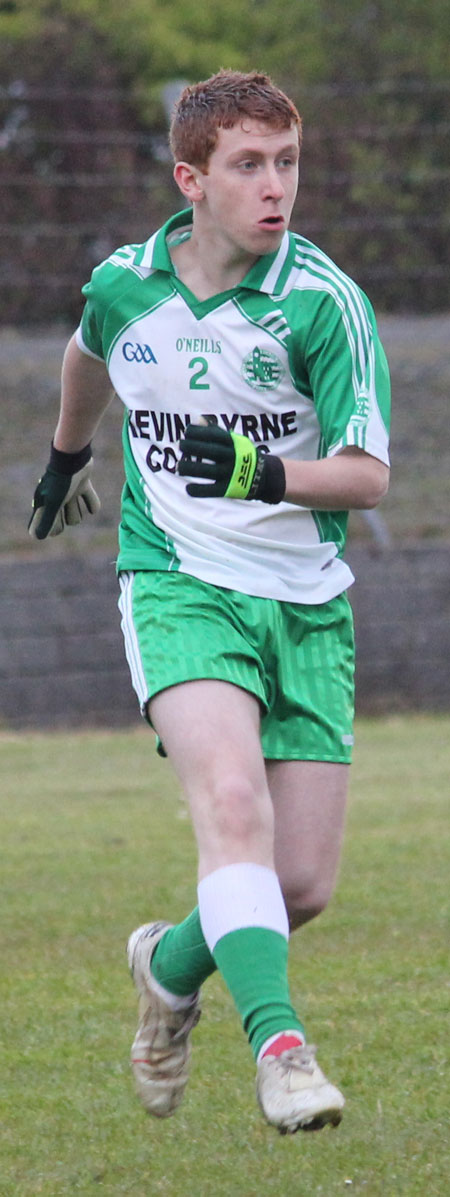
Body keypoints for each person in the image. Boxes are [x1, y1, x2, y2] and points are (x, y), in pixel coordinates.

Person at [29, 69, 391, 1135]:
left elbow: (367, 476)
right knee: (231, 808)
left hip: (305, 601)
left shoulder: (323, 301)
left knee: (300, 884)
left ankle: (170, 965)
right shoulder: (124, 282)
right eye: (248, 165)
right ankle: (283, 1054)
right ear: (191, 178)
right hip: (178, 586)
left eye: (287, 162)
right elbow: (90, 353)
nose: (274, 185)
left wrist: (259, 473)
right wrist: (64, 456)